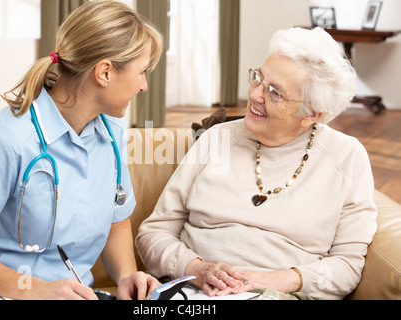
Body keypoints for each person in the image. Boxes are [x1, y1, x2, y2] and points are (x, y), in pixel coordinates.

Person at [136, 27, 378, 300]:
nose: (254, 95)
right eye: (258, 78)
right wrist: (197, 269)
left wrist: (270, 280)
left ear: (311, 113)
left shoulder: (346, 158)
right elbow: (153, 233)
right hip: (192, 291)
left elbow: (347, 265)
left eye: (275, 92)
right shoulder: (216, 139)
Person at [0, 0, 163, 300]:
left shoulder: (111, 135)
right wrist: (37, 290)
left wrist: (128, 276)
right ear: (104, 73)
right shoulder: (5, 140)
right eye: (142, 72)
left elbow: (116, 221)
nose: (143, 86)